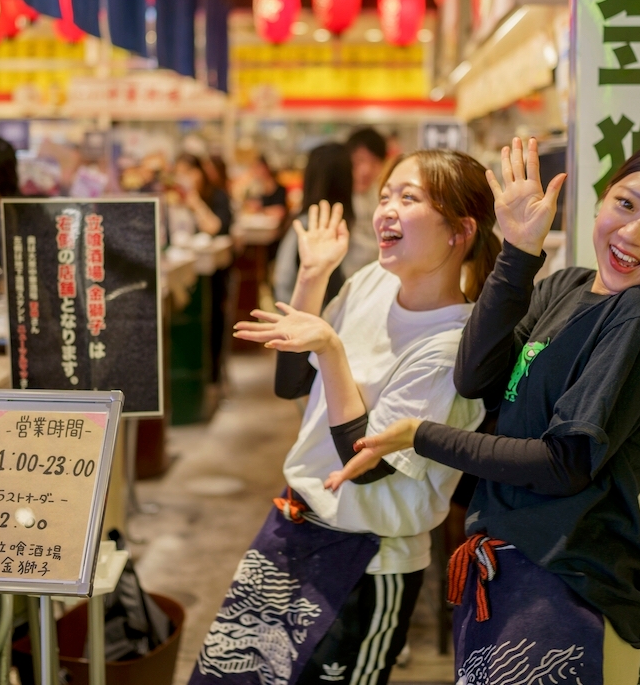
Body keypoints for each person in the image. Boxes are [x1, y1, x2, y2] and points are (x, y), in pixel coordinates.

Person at [327, 140, 640, 684]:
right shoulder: (566, 285)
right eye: (627, 205)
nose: (632, 235)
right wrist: (518, 249)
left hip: (567, 588)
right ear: (602, 198)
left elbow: (564, 465)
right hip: (507, 573)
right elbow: (476, 378)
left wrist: (423, 436)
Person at [189, 149, 501, 685]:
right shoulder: (371, 282)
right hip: (294, 528)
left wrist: (332, 351)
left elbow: (372, 462)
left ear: (460, 230)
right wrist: (313, 276)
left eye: (409, 198)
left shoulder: (454, 343)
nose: (387, 211)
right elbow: (292, 382)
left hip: (368, 560)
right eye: (385, 197)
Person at [175, 153, 234, 382]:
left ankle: (213, 374)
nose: (185, 178)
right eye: (179, 173)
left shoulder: (215, 196)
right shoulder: (172, 199)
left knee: (212, 322)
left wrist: (195, 203)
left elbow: (215, 227)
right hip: (186, 271)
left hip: (214, 275)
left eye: (189, 172)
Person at [272, 143, 352, 306]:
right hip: (308, 318)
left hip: (293, 314)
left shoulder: (305, 218)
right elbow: (333, 295)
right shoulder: (323, 227)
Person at [340, 128, 387, 278]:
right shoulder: (337, 198)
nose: (366, 170)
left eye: (374, 162)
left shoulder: (385, 197)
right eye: (359, 160)